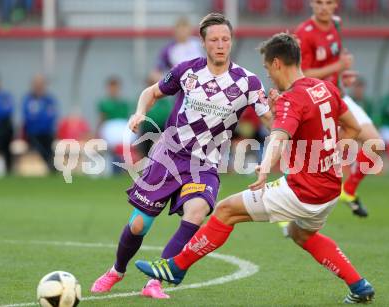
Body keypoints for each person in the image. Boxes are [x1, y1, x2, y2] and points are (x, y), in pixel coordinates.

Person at [135, 33, 375, 304]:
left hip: (301, 191)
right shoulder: (324, 89)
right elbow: (353, 128)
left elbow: (279, 137)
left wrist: (264, 169)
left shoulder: (292, 99)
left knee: (225, 211)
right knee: (301, 233)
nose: (269, 76)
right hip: (330, 190)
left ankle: (175, 267)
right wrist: (328, 155)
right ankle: (359, 285)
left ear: (276, 64)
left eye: (266, 68)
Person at [91, 13, 272, 299]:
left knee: (197, 211)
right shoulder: (186, 71)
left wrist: (282, 132)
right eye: (214, 40)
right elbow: (151, 93)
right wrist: (140, 112)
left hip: (205, 164)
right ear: (203, 43)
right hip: (168, 155)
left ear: (232, 41)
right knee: (139, 224)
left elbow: (273, 121)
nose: (221, 44)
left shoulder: (248, 82)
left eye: (225, 39)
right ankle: (116, 270)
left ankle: (156, 282)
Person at [293, 0, 383, 218]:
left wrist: (343, 76)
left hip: (339, 95)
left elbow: (337, 60)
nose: (324, 7)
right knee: (309, 157)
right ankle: (292, 204)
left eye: (329, 2)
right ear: (311, 4)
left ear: (336, 5)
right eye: (319, 2)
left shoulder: (337, 24)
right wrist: (337, 67)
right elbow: (301, 73)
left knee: (376, 144)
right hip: (316, 99)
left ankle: (348, 191)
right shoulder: (304, 33)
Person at [148, 16, 204, 83]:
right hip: (181, 84)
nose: (182, 32)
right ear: (175, 31)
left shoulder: (199, 44)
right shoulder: (169, 49)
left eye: (185, 29)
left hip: (202, 79)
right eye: (180, 30)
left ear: (190, 30)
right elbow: (157, 71)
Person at [22, 74, 57, 173]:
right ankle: (50, 165)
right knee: (40, 149)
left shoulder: (49, 100)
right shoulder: (28, 99)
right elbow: (27, 116)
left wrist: (38, 117)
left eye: (40, 84)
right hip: (33, 132)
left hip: (47, 132)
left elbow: (51, 115)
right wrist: (38, 118)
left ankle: (52, 167)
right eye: (36, 84)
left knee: (49, 149)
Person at [0, 77, 14, 174]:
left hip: (4, 127)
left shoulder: (6, 96)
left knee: (6, 147)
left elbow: (7, 111)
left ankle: (8, 169)